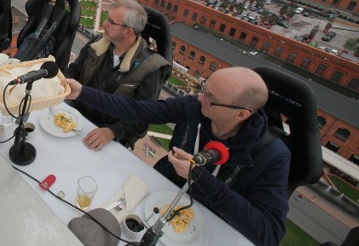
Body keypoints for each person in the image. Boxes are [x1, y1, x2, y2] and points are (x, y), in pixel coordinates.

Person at [63, 67, 290, 246]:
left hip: (206, 226)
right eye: (203, 89)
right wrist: (83, 92)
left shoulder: (272, 156)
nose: (200, 98)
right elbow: (139, 110)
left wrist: (201, 178)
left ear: (241, 114)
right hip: (160, 196)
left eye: (210, 98)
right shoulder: (194, 107)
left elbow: (269, 234)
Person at [64, 0, 170, 150]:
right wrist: (63, 83)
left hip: (107, 131)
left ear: (128, 32)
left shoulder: (151, 68)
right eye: (107, 18)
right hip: (76, 111)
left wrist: (112, 132)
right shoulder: (98, 43)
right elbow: (75, 69)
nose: (105, 24)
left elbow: (143, 120)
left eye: (111, 22)